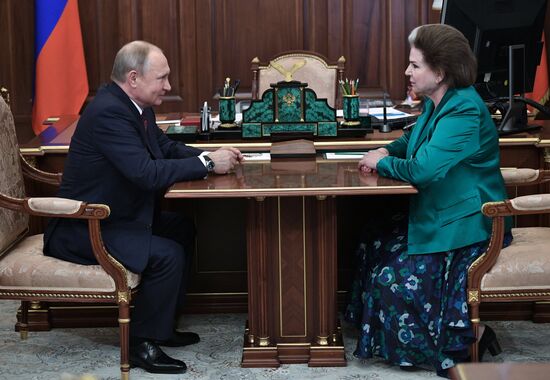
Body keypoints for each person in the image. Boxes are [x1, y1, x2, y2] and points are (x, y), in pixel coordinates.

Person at [43, 40, 243, 374]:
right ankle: (140, 344)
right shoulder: (109, 112)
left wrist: (210, 155)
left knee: (181, 228)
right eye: (161, 78)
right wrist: (208, 164)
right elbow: (145, 173)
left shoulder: (136, 107)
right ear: (133, 78)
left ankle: (161, 327)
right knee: (167, 255)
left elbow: (163, 147)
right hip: (86, 226)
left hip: (119, 217)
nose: (168, 86)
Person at [348, 24, 512, 377]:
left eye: (415, 65)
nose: (407, 72)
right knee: (371, 239)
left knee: (391, 277)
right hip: (443, 213)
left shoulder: (463, 110)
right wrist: (385, 149)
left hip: (469, 222)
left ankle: (471, 336)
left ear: (440, 72)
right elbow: (413, 141)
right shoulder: (440, 102)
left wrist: (383, 163)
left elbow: (423, 170)